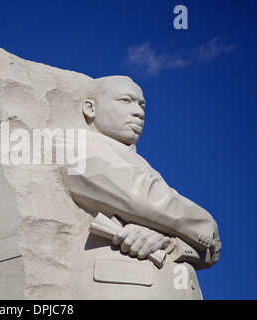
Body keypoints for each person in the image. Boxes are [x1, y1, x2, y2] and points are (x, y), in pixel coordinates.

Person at [59, 75, 221, 299]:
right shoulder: (74, 148)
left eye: (142, 105)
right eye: (126, 101)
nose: (139, 112)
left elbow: (210, 253)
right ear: (90, 108)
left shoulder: (143, 164)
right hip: (123, 287)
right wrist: (207, 224)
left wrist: (170, 241)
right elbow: (145, 197)